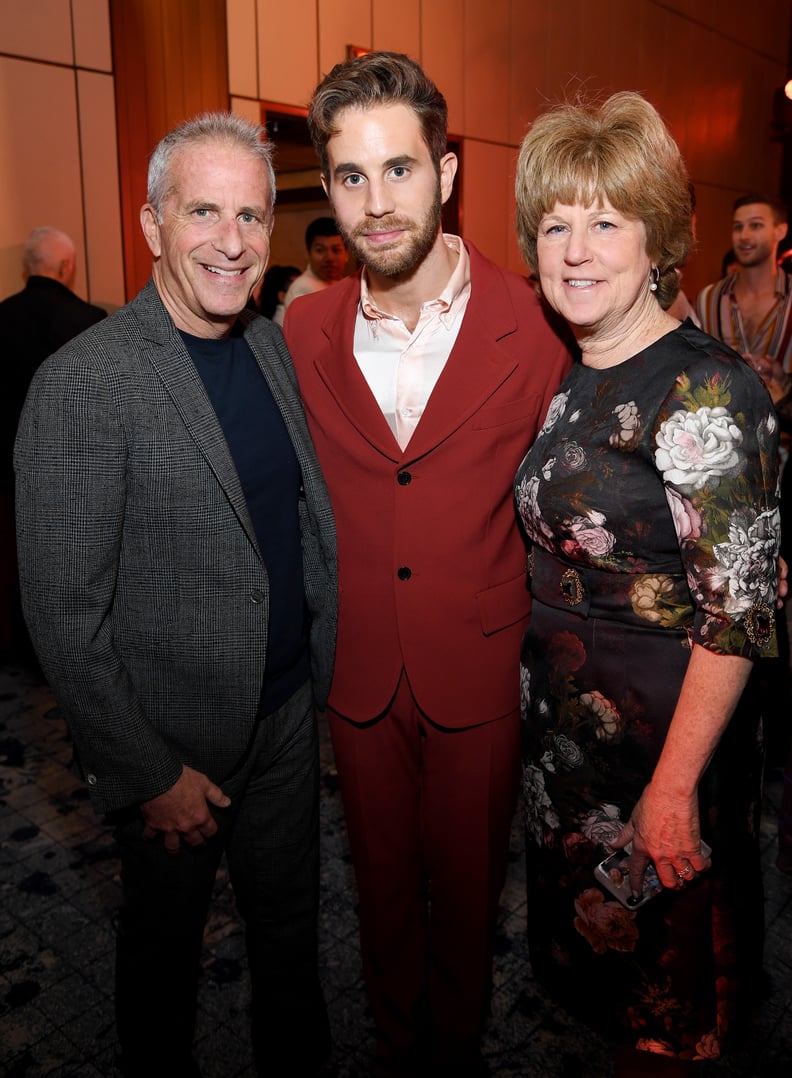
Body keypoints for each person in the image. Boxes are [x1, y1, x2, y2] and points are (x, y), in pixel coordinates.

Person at [14, 112, 337, 1078]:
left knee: (291, 939)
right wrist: (146, 772)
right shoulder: (83, 385)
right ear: (152, 225)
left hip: (285, 721)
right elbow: (64, 619)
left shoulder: (272, 349)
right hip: (170, 742)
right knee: (162, 960)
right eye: (203, 211)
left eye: (251, 214)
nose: (232, 242)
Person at [283, 50, 572, 1077]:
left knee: (469, 895)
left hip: (481, 662)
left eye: (400, 170)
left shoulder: (539, 328)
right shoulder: (303, 329)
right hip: (358, 666)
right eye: (352, 178)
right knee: (381, 889)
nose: (377, 202)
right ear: (330, 188)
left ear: (446, 174)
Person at [513, 92, 780, 1073]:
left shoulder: (709, 386)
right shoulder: (577, 370)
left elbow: (741, 612)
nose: (576, 249)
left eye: (606, 222)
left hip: (665, 745)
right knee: (605, 990)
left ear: (657, 240)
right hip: (573, 743)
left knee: (672, 1006)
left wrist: (673, 788)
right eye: (556, 224)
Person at [0, 226, 106, 661]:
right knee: (73, 572)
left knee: (14, 564)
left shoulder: (1, 316)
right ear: (67, 267)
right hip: (76, 470)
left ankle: (19, 648)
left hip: (5, 467)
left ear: (28, 270)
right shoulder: (91, 321)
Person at [696, 193, 792, 376]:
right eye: (738, 227)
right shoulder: (710, 299)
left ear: (780, 231)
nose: (744, 235)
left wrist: (784, 381)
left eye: (755, 226)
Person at [281, 215, 348, 312]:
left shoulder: (348, 285)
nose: (329, 258)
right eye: (320, 250)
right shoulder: (301, 289)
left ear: (347, 254)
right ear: (308, 254)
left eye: (336, 250)